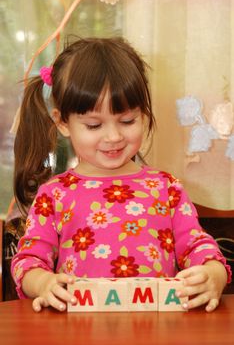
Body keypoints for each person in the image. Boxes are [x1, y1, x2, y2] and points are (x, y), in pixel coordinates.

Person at [11, 37, 231, 313]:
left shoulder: (166, 188)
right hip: (79, 332)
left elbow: (197, 245)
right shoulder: (54, 195)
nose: (113, 136)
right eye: (94, 125)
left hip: (160, 330)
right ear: (62, 122)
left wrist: (214, 274)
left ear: (144, 116)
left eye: (127, 121)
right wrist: (43, 282)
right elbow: (28, 262)